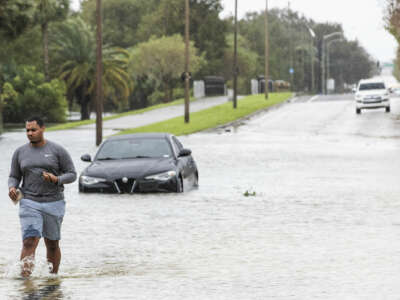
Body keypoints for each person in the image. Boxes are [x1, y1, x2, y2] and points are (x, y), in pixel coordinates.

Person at [8, 116, 77, 277]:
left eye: (33, 130)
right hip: (28, 201)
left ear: (43, 129)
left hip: (54, 202)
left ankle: (52, 280)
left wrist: (57, 179)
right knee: (29, 241)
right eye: (27, 130)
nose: (30, 133)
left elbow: (72, 174)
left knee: (52, 244)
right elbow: (14, 176)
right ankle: (25, 282)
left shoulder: (57, 150)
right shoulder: (20, 152)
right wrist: (12, 187)